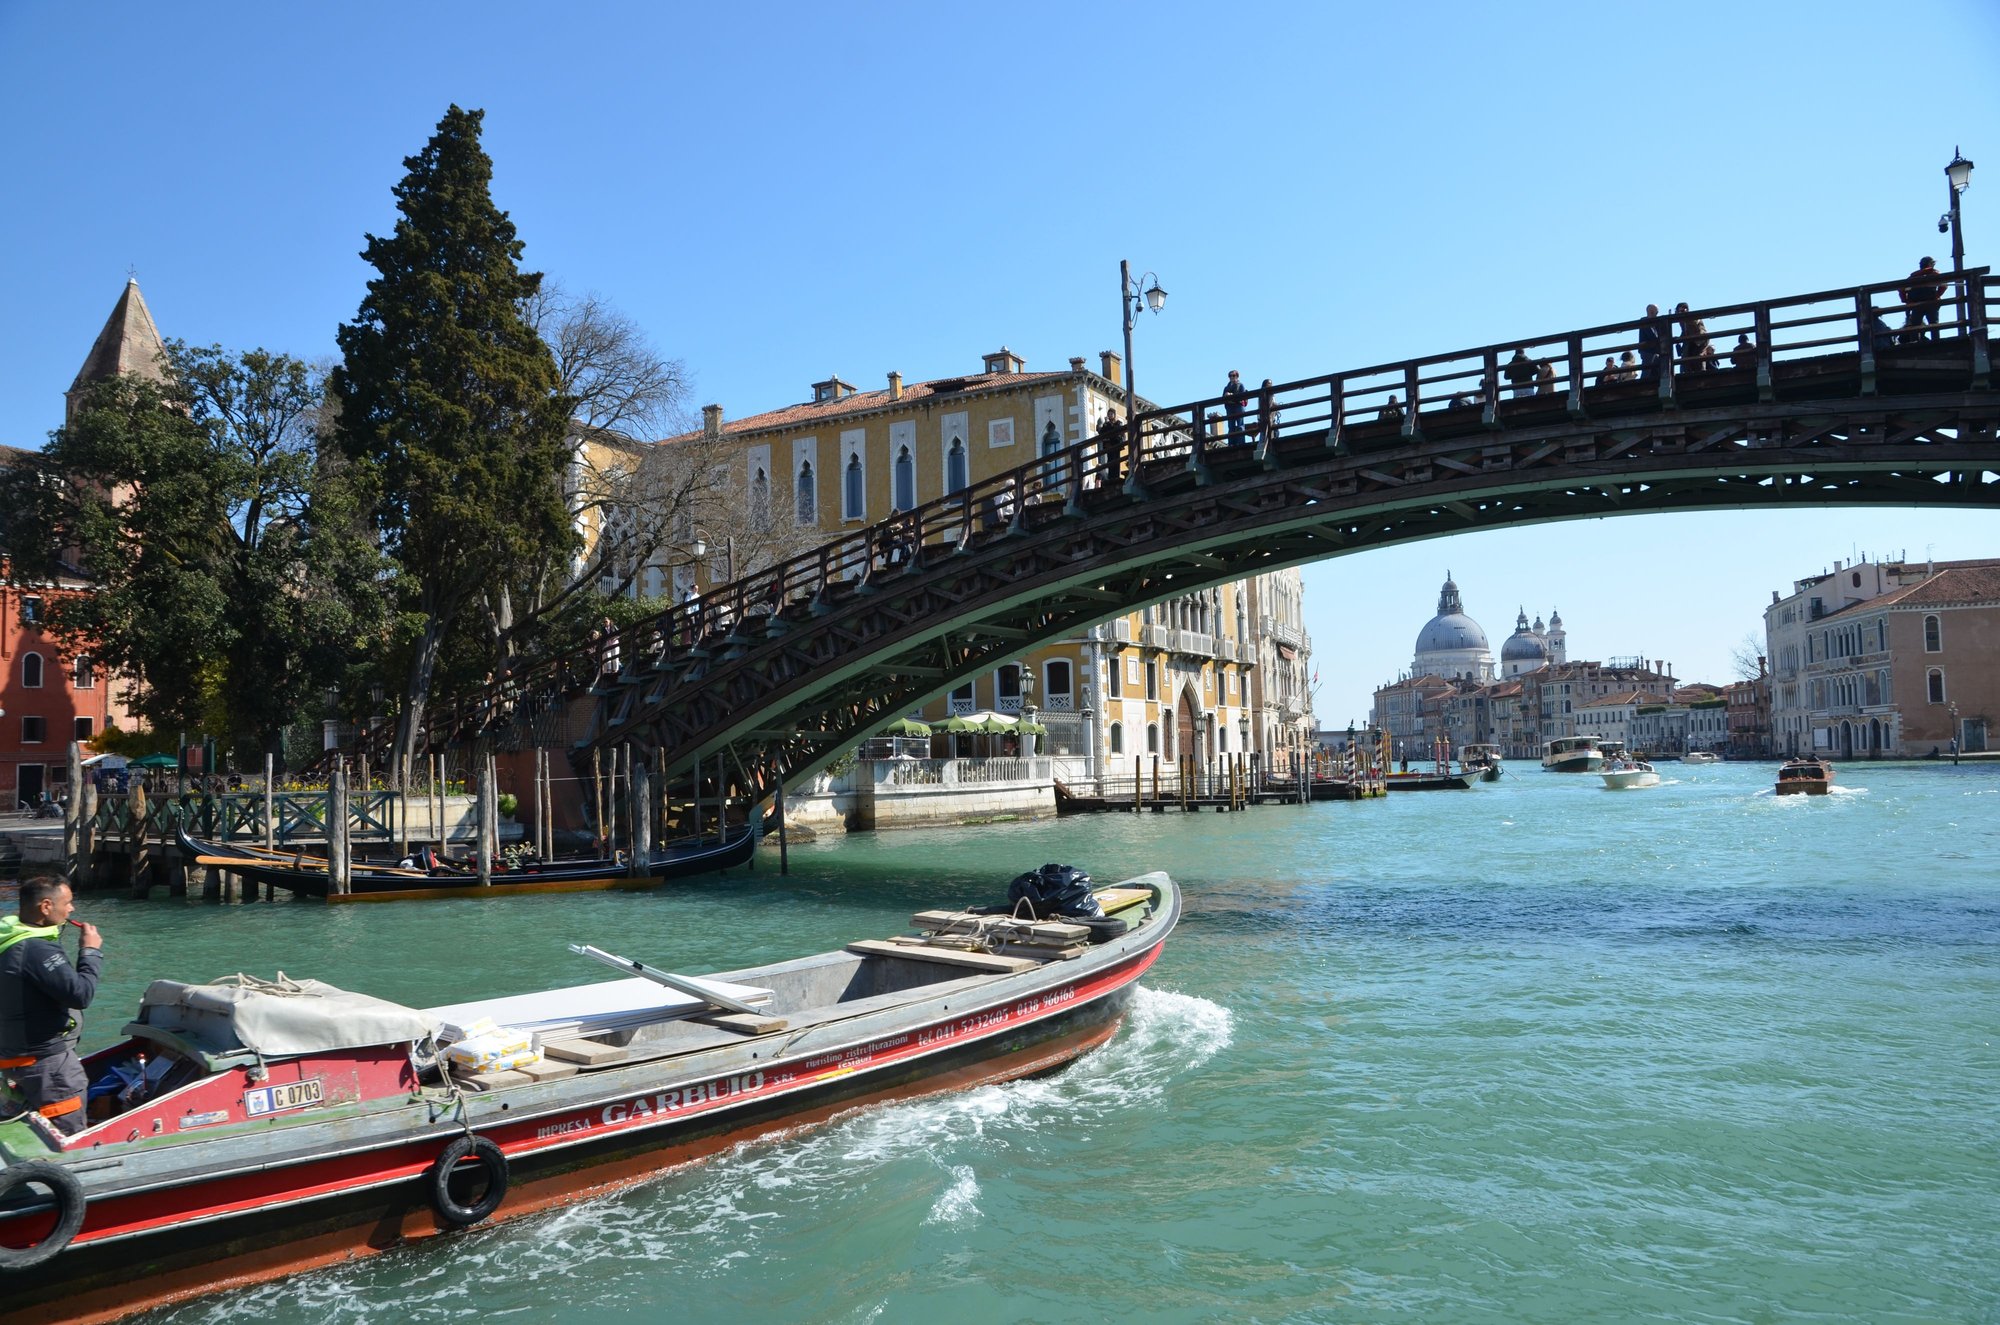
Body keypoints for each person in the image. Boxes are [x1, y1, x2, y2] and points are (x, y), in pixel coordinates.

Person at [0, 875, 103, 1135]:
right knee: (65, 1139)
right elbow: (80, 995)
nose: (72, 909)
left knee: (31, 1135)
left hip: (15, 1061)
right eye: (67, 902)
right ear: (46, 906)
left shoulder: (9, 941)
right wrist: (90, 952)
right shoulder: (37, 951)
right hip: (48, 1067)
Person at [1900, 256, 1944, 340]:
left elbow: (1901, 289)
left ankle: (1914, 341)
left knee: (1915, 325)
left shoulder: (1913, 277)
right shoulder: (1934, 274)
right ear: (1930, 264)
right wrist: (1937, 295)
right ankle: (1936, 341)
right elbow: (1944, 285)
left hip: (1916, 304)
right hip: (1931, 303)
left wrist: (1906, 300)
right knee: (1933, 323)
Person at [1675, 302, 1711, 372]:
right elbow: (1685, 331)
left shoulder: (1693, 316)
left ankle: (1701, 373)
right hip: (1690, 340)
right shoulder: (1681, 321)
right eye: (1678, 311)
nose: (1680, 313)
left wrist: (1686, 315)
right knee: (1687, 359)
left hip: (1699, 340)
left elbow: (1694, 323)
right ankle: (1687, 372)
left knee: (1698, 358)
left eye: (1681, 311)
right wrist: (1679, 338)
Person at [1638, 304, 1666, 382]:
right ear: (1648, 311)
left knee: (1656, 370)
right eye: (1652, 311)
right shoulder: (1644, 321)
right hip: (1647, 350)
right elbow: (1652, 336)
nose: (1654, 313)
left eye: (1655, 312)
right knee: (1647, 371)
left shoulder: (1656, 322)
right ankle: (1643, 384)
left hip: (1655, 351)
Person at [1221, 370, 1248, 444]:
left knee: (1240, 425)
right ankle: (1231, 443)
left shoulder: (1241, 385)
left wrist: (1231, 395)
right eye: (1230, 376)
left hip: (1238, 406)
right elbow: (1222, 399)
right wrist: (1226, 396)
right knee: (1231, 426)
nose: (1231, 377)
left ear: (1237, 376)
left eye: (1233, 375)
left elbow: (1243, 396)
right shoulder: (1226, 387)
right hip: (1230, 407)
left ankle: (1241, 442)